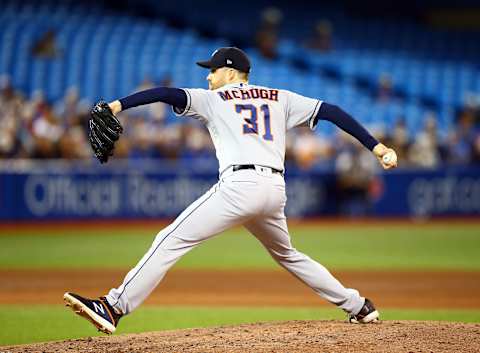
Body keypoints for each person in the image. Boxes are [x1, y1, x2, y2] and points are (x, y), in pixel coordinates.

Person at [64, 47, 398, 334]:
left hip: (240, 186)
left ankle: (113, 306)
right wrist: (378, 147)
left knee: (171, 239)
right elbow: (333, 112)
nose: (208, 77)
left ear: (230, 71)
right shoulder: (280, 97)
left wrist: (116, 106)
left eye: (211, 71)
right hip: (274, 190)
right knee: (288, 255)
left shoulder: (213, 99)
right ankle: (359, 306)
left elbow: (165, 93)